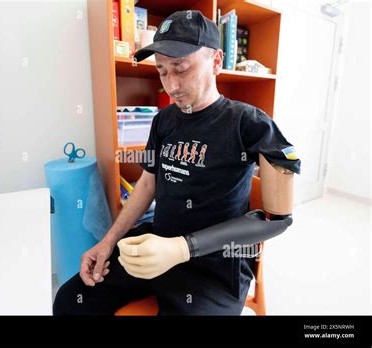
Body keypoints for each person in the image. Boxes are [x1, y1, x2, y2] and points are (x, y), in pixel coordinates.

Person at [53, 10, 301, 315]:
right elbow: (147, 183)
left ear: (215, 61)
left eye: (181, 68)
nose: (171, 85)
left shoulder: (248, 122)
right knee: (70, 300)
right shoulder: (163, 120)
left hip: (213, 268)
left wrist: (183, 248)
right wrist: (107, 242)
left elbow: (277, 218)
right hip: (155, 247)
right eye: (162, 71)